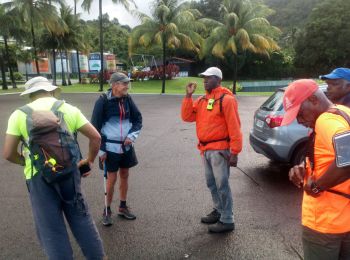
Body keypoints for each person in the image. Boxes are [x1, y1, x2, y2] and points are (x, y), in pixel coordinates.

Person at [3, 76, 105, 259]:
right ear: (50, 90)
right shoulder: (67, 109)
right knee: (81, 219)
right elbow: (96, 137)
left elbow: (8, 153)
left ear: (30, 95)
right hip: (69, 174)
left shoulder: (18, 115)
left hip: (38, 179)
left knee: (51, 228)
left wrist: (26, 162)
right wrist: (88, 160)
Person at [281, 79, 350, 260]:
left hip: (324, 224)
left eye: (300, 112)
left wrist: (317, 186)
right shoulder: (342, 112)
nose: (299, 120)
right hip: (344, 219)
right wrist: (306, 166)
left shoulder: (325, 121)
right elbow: (333, 155)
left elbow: (348, 158)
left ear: (313, 100)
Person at [181, 67, 242, 233]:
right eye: (204, 78)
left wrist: (235, 152)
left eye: (209, 77)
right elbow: (187, 117)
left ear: (218, 80)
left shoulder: (227, 100)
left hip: (220, 150)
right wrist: (188, 96)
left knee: (222, 184)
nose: (205, 80)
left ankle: (227, 219)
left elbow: (235, 127)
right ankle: (219, 211)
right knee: (211, 183)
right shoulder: (202, 100)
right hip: (205, 149)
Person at [91, 72, 142, 226]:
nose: (127, 86)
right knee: (111, 178)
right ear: (114, 85)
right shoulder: (102, 102)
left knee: (125, 174)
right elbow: (94, 128)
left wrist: (131, 137)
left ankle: (122, 206)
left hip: (126, 146)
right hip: (109, 147)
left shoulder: (128, 99)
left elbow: (138, 119)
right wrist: (101, 150)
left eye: (127, 83)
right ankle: (107, 210)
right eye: (124, 83)